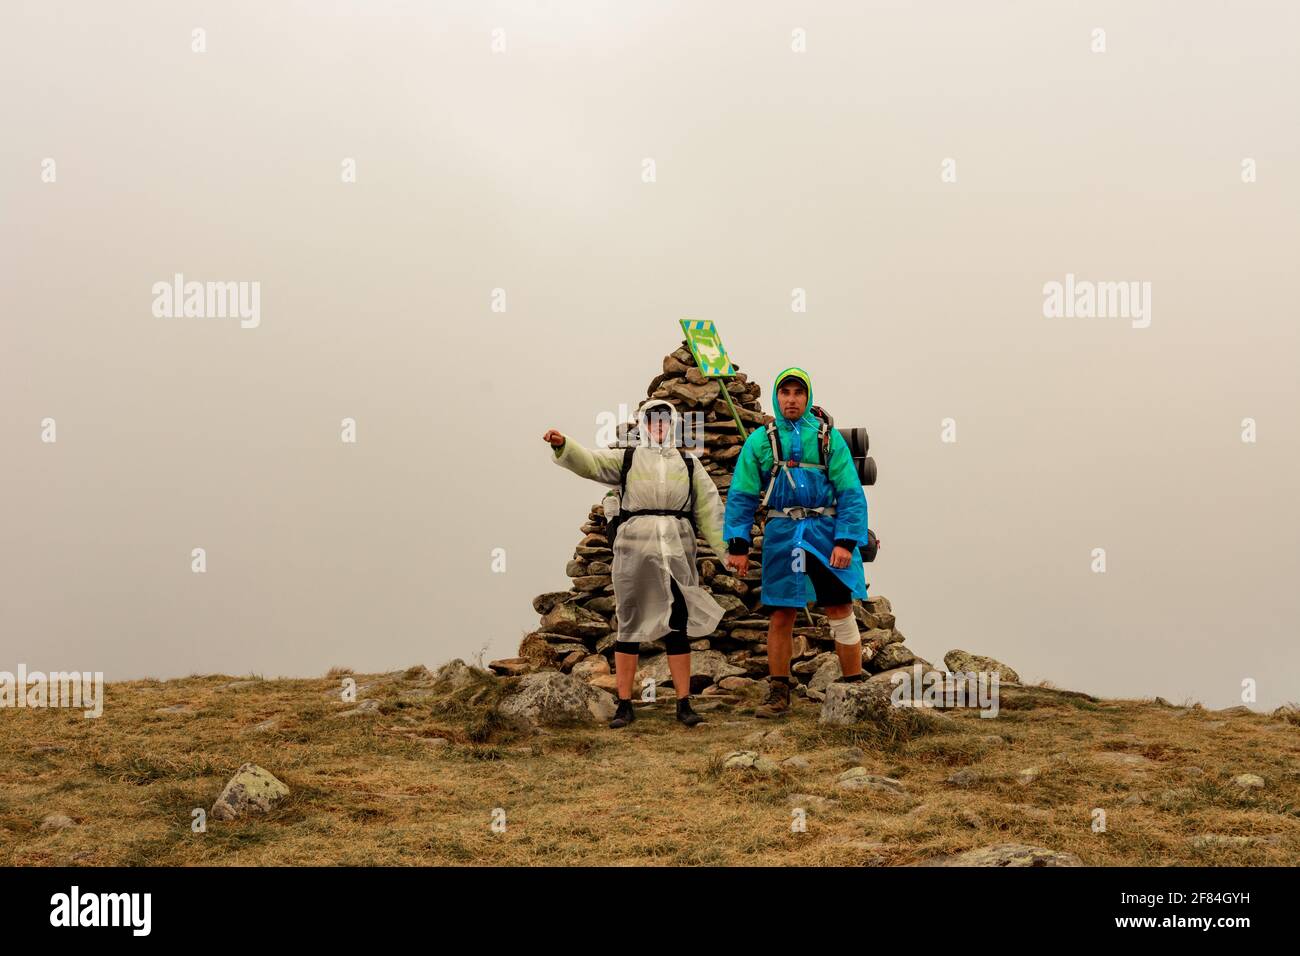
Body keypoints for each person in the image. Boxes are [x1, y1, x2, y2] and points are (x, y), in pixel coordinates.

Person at [542, 399, 730, 728]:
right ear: (644, 424)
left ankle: (684, 704)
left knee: (677, 623)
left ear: (671, 424)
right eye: (652, 420)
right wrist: (564, 445)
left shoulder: (687, 463)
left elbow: (710, 508)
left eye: (664, 420)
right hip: (634, 552)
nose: (658, 426)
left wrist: (729, 552)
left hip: (675, 552)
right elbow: (591, 463)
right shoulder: (628, 458)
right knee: (629, 623)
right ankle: (624, 705)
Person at [722, 367, 871, 718]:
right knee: (782, 612)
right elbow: (742, 495)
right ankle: (778, 693)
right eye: (785, 393)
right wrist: (739, 545)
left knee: (839, 608)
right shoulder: (760, 441)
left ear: (808, 397)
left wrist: (846, 542)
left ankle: (854, 691)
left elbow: (851, 493)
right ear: (777, 397)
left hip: (825, 533)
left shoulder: (828, 439)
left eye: (798, 393)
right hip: (783, 536)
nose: (791, 399)